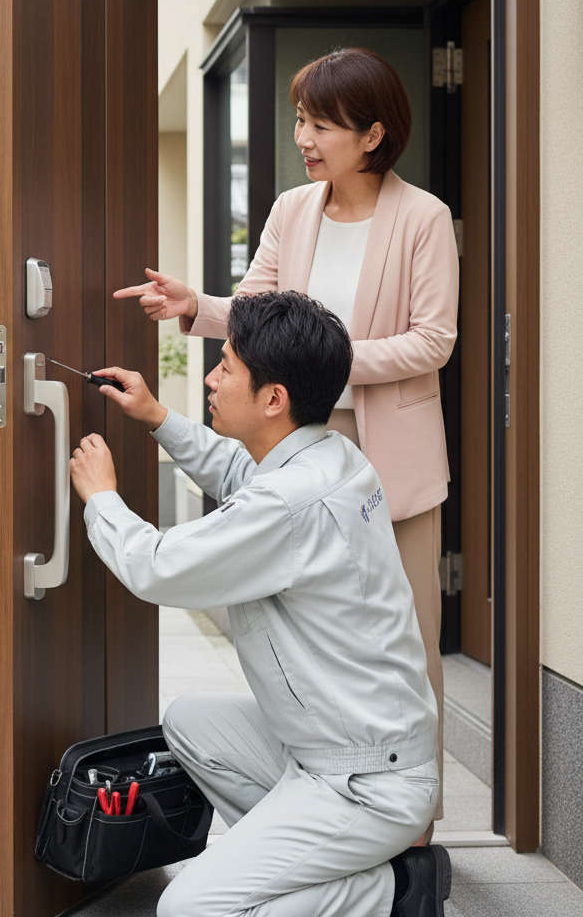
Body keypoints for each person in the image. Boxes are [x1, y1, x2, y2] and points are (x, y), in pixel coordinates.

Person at [114, 47, 457, 833]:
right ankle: (328, 802)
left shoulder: (423, 217)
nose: (303, 136)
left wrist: (324, 370)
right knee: (309, 639)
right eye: (300, 118)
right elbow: (260, 313)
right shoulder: (293, 210)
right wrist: (193, 304)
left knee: (408, 648)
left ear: (373, 134)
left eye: (321, 124)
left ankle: (417, 831)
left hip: (391, 464)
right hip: (296, 450)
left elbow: (432, 341)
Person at [70, 291, 450, 917]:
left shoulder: (292, 503)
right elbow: (235, 470)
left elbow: (158, 567)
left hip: (363, 782)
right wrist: (157, 416)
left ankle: (392, 890)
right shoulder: (328, 455)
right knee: (192, 720)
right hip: (341, 745)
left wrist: (102, 499)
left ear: (274, 399)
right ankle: (299, 865)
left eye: (226, 367)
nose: (213, 380)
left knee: (188, 910)